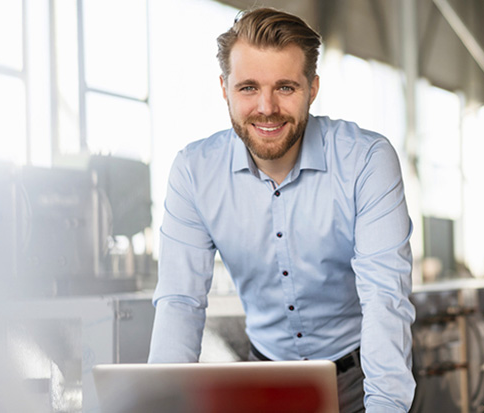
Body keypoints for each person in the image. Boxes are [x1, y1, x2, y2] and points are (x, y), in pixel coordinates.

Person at [148, 7, 416, 413]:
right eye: (248, 88)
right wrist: (160, 406)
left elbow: (385, 299)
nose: (267, 107)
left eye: (286, 88)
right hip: (266, 382)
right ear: (225, 88)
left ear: (312, 88)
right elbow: (180, 303)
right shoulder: (194, 173)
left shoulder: (366, 161)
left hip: (363, 379)